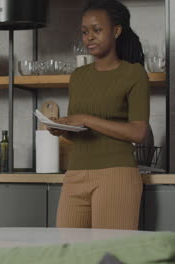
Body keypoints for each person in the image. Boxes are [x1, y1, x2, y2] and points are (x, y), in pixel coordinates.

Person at [50, 0, 149, 230]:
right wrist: (63, 129)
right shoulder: (78, 76)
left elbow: (139, 131)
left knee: (110, 254)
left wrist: (85, 118)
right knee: (66, 252)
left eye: (96, 30)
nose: (89, 37)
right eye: (84, 32)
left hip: (116, 174)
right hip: (75, 174)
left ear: (116, 31)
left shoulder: (134, 73)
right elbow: (80, 130)